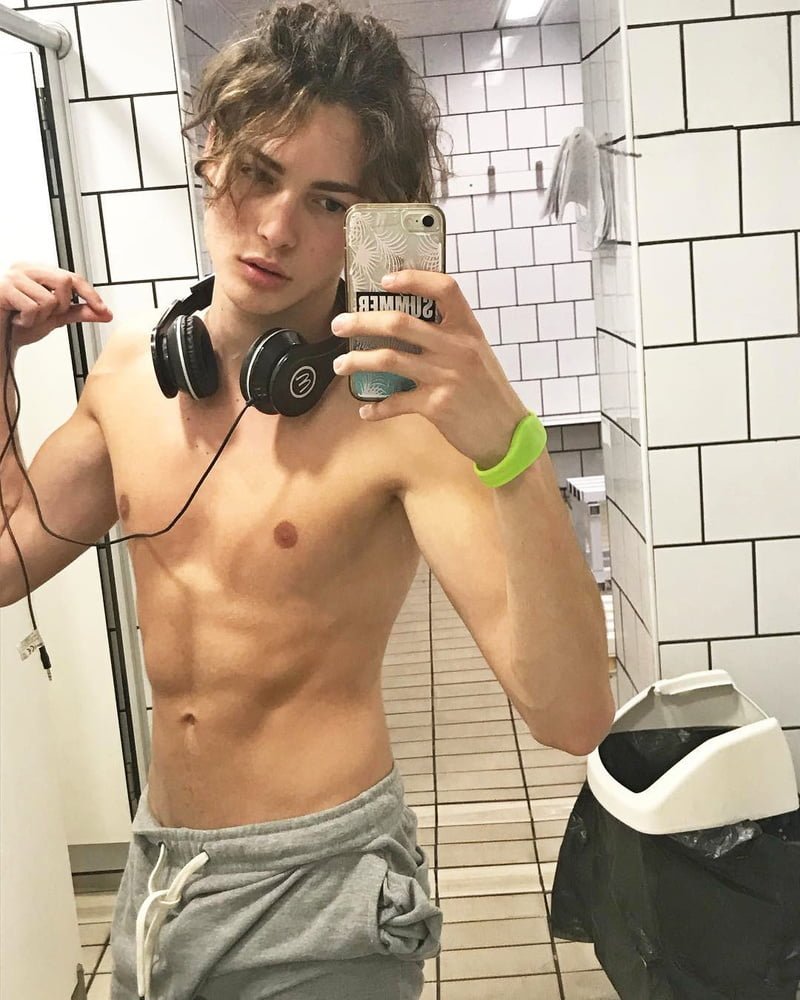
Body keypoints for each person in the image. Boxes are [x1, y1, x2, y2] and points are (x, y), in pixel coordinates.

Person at [0, 2, 615, 997]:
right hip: (161, 882)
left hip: (324, 897)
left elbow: (572, 712)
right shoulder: (126, 378)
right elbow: (6, 562)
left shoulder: (397, 417)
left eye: (328, 202)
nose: (277, 229)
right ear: (210, 155)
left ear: (371, 220)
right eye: (257, 173)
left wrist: (511, 448)